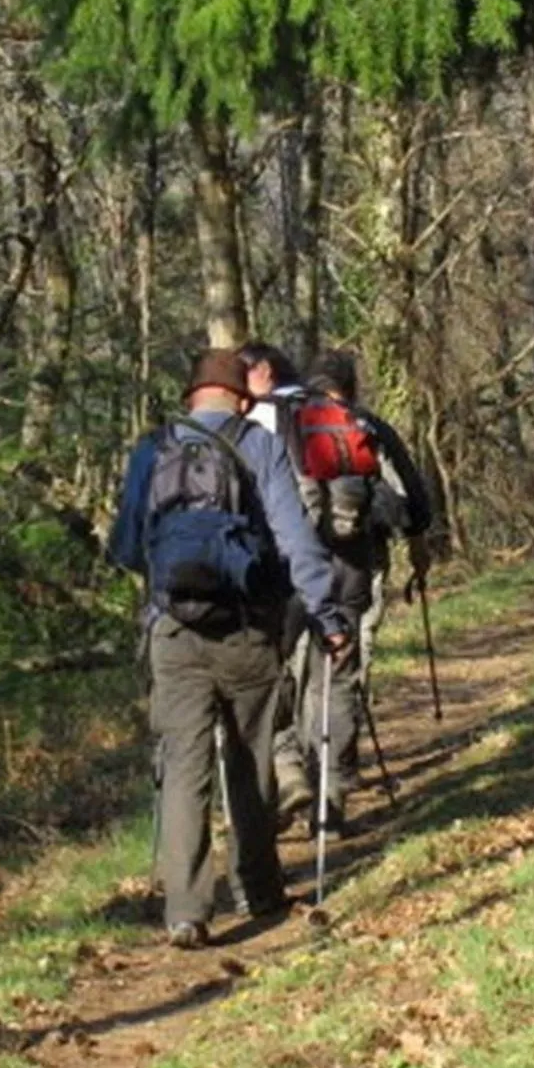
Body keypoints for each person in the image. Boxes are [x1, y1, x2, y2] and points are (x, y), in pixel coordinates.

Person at [107, 349, 350, 946]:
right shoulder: (256, 444)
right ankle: (258, 888)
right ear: (242, 398)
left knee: (185, 765)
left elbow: (126, 546)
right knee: (251, 758)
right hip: (247, 627)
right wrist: (327, 614)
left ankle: (187, 911)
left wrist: (174, 580)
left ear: (191, 396)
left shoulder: (153, 448)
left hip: (173, 632)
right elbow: (295, 539)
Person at [262, 349, 437, 831]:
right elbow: (415, 503)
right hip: (352, 566)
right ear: (351, 386)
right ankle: (331, 797)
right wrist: (416, 550)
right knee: (337, 676)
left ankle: (286, 766)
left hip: (289, 570)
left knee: (274, 667)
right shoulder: (367, 426)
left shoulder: (278, 423)